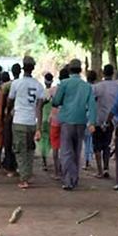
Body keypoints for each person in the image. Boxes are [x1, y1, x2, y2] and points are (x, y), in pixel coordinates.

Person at [51, 59, 96, 190]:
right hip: (81, 121)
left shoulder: (64, 84)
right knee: (77, 151)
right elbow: (92, 106)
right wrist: (92, 122)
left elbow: (56, 101)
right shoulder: (87, 86)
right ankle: (74, 178)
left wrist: (58, 102)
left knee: (66, 152)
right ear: (80, 70)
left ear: (69, 70)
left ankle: (67, 180)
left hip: (66, 121)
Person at [7, 56, 45, 189]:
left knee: (20, 150)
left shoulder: (16, 84)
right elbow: (39, 108)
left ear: (23, 68)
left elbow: (10, 100)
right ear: (33, 68)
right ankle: (27, 174)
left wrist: (9, 110)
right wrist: (39, 128)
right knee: (29, 149)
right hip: (31, 122)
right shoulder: (39, 85)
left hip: (19, 121)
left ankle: (24, 179)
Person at [91, 64, 118, 179]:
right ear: (113, 73)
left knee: (97, 145)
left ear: (103, 73)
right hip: (111, 120)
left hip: (98, 119)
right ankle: (106, 167)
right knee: (106, 145)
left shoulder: (98, 87)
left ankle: (99, 170)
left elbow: (92, 100)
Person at [48, 67, 68, 178]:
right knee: (66, 147)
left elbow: (45, 101)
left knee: (55, 147)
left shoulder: (53, 90)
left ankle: (57, 172)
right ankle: (65, 170)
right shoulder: (71, 90)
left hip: (55, 121)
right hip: (67, 121)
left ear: (59, 78)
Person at [39, 73, 54, 172]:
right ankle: (57, 162)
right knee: (53, 141)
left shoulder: (42, 93)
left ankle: (44, 163)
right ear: (52, 81)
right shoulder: (55, 92)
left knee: (43, 141)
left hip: (43, 119)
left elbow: (38, 107)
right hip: (53, 120)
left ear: (44, 81)